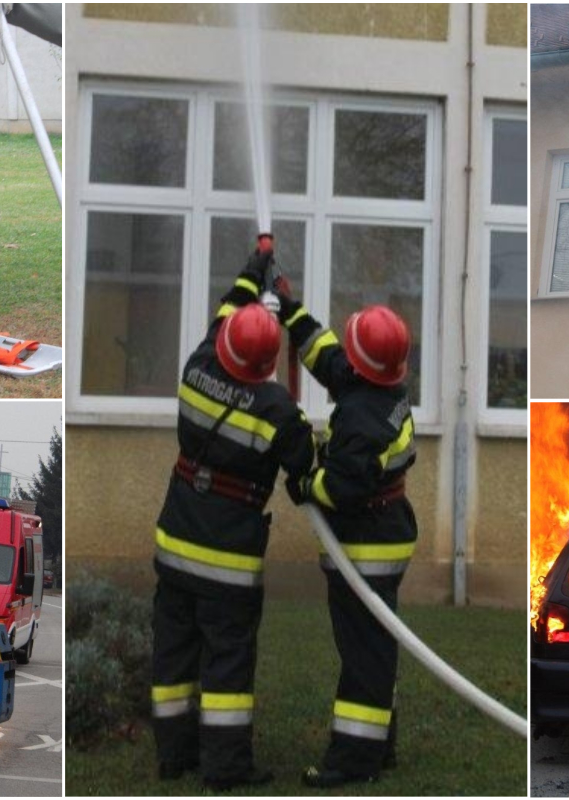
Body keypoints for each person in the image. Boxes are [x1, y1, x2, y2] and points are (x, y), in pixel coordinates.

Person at [149, 238, 314, 791]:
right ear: (267, 362)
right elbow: (303, 465)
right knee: (227, 667)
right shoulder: (277, 410)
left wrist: (253, 268)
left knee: (173, 658)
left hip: (175, 545)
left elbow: (226, 311)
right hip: (230, 562)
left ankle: (173, 756)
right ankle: (226, 768)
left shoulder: (198, 365)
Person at [275, 286, 417, 788]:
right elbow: (331, 359)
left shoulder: (361, 420)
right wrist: (291, 312)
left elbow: (339, 489)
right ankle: (382, 746)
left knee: (364, 655)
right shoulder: (382, 389)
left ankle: (355, 760)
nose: (344, 359)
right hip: (384, 534)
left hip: (365, 546)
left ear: (364, 363)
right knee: (375, 646)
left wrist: (303, 485)